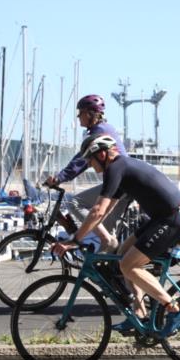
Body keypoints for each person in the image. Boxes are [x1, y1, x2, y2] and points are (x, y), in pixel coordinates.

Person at [62, 135, 180, 336]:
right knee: (121, 257)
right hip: (161, 217)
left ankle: (174, 309)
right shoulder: (120, 168)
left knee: (128, 264)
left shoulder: (116, 168)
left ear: (102, 154)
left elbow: (98, 210)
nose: (89, 165)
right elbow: (105, 211)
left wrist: (75, 240)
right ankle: (139, 315)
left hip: (172, 218)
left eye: (90, 159)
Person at [43, 95, 127, 252]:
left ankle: (106, 242)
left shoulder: (100, 132)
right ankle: (114, 271)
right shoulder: (103, 129)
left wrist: (59, 178)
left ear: (90, 114)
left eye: (80, 112)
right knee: (108, 234)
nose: (78, 116)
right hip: (122, 184)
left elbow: (82, 159)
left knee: (75, 203)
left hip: (119, 183)